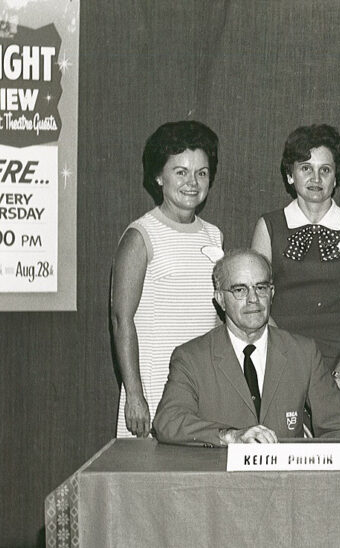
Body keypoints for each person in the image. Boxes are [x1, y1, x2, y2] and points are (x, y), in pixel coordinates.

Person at [250, 124, 340, 436]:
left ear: (336, 178)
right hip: (284, 370)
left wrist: (334, 378)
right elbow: (257, 307)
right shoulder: (268, 227)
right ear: (289, 175)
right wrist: (298, 377)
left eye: (325, 170)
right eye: (305, 168)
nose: (316, 178)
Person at [154, 249, 340, 446]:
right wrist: (229, 436)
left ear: (272, 293)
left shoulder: (303, 352)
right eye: (240, 290)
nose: (253, 299)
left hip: (287, 477)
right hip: (219, 477)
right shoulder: (191, 357)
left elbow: (339, 426)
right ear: (220, 299)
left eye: (261, 288)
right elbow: (168, 421)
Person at [110, 120, 224, 438]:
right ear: (160, 176)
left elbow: (216, 320)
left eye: (201, 173)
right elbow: (122, 320)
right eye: (180, 172)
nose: (192, 182)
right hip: (151, 383)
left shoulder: (213, 235)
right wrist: (134, 394)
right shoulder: (141, 235)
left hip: (198, 387)